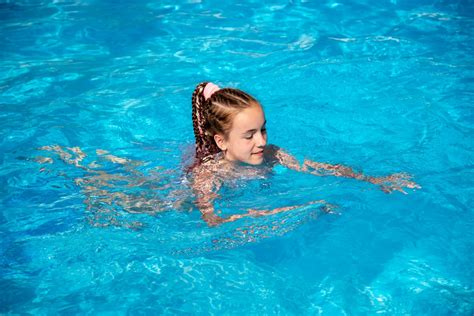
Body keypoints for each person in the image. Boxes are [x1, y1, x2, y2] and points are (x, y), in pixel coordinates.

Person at [190, 82, 420, 226]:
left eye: (263, 130)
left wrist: (373, 179)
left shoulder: (272, 155)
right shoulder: (209, 177)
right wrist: (288, 212)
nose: (261, 141)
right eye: (249, 135)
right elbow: (214, 221)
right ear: (221, 142)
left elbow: (318, 167)